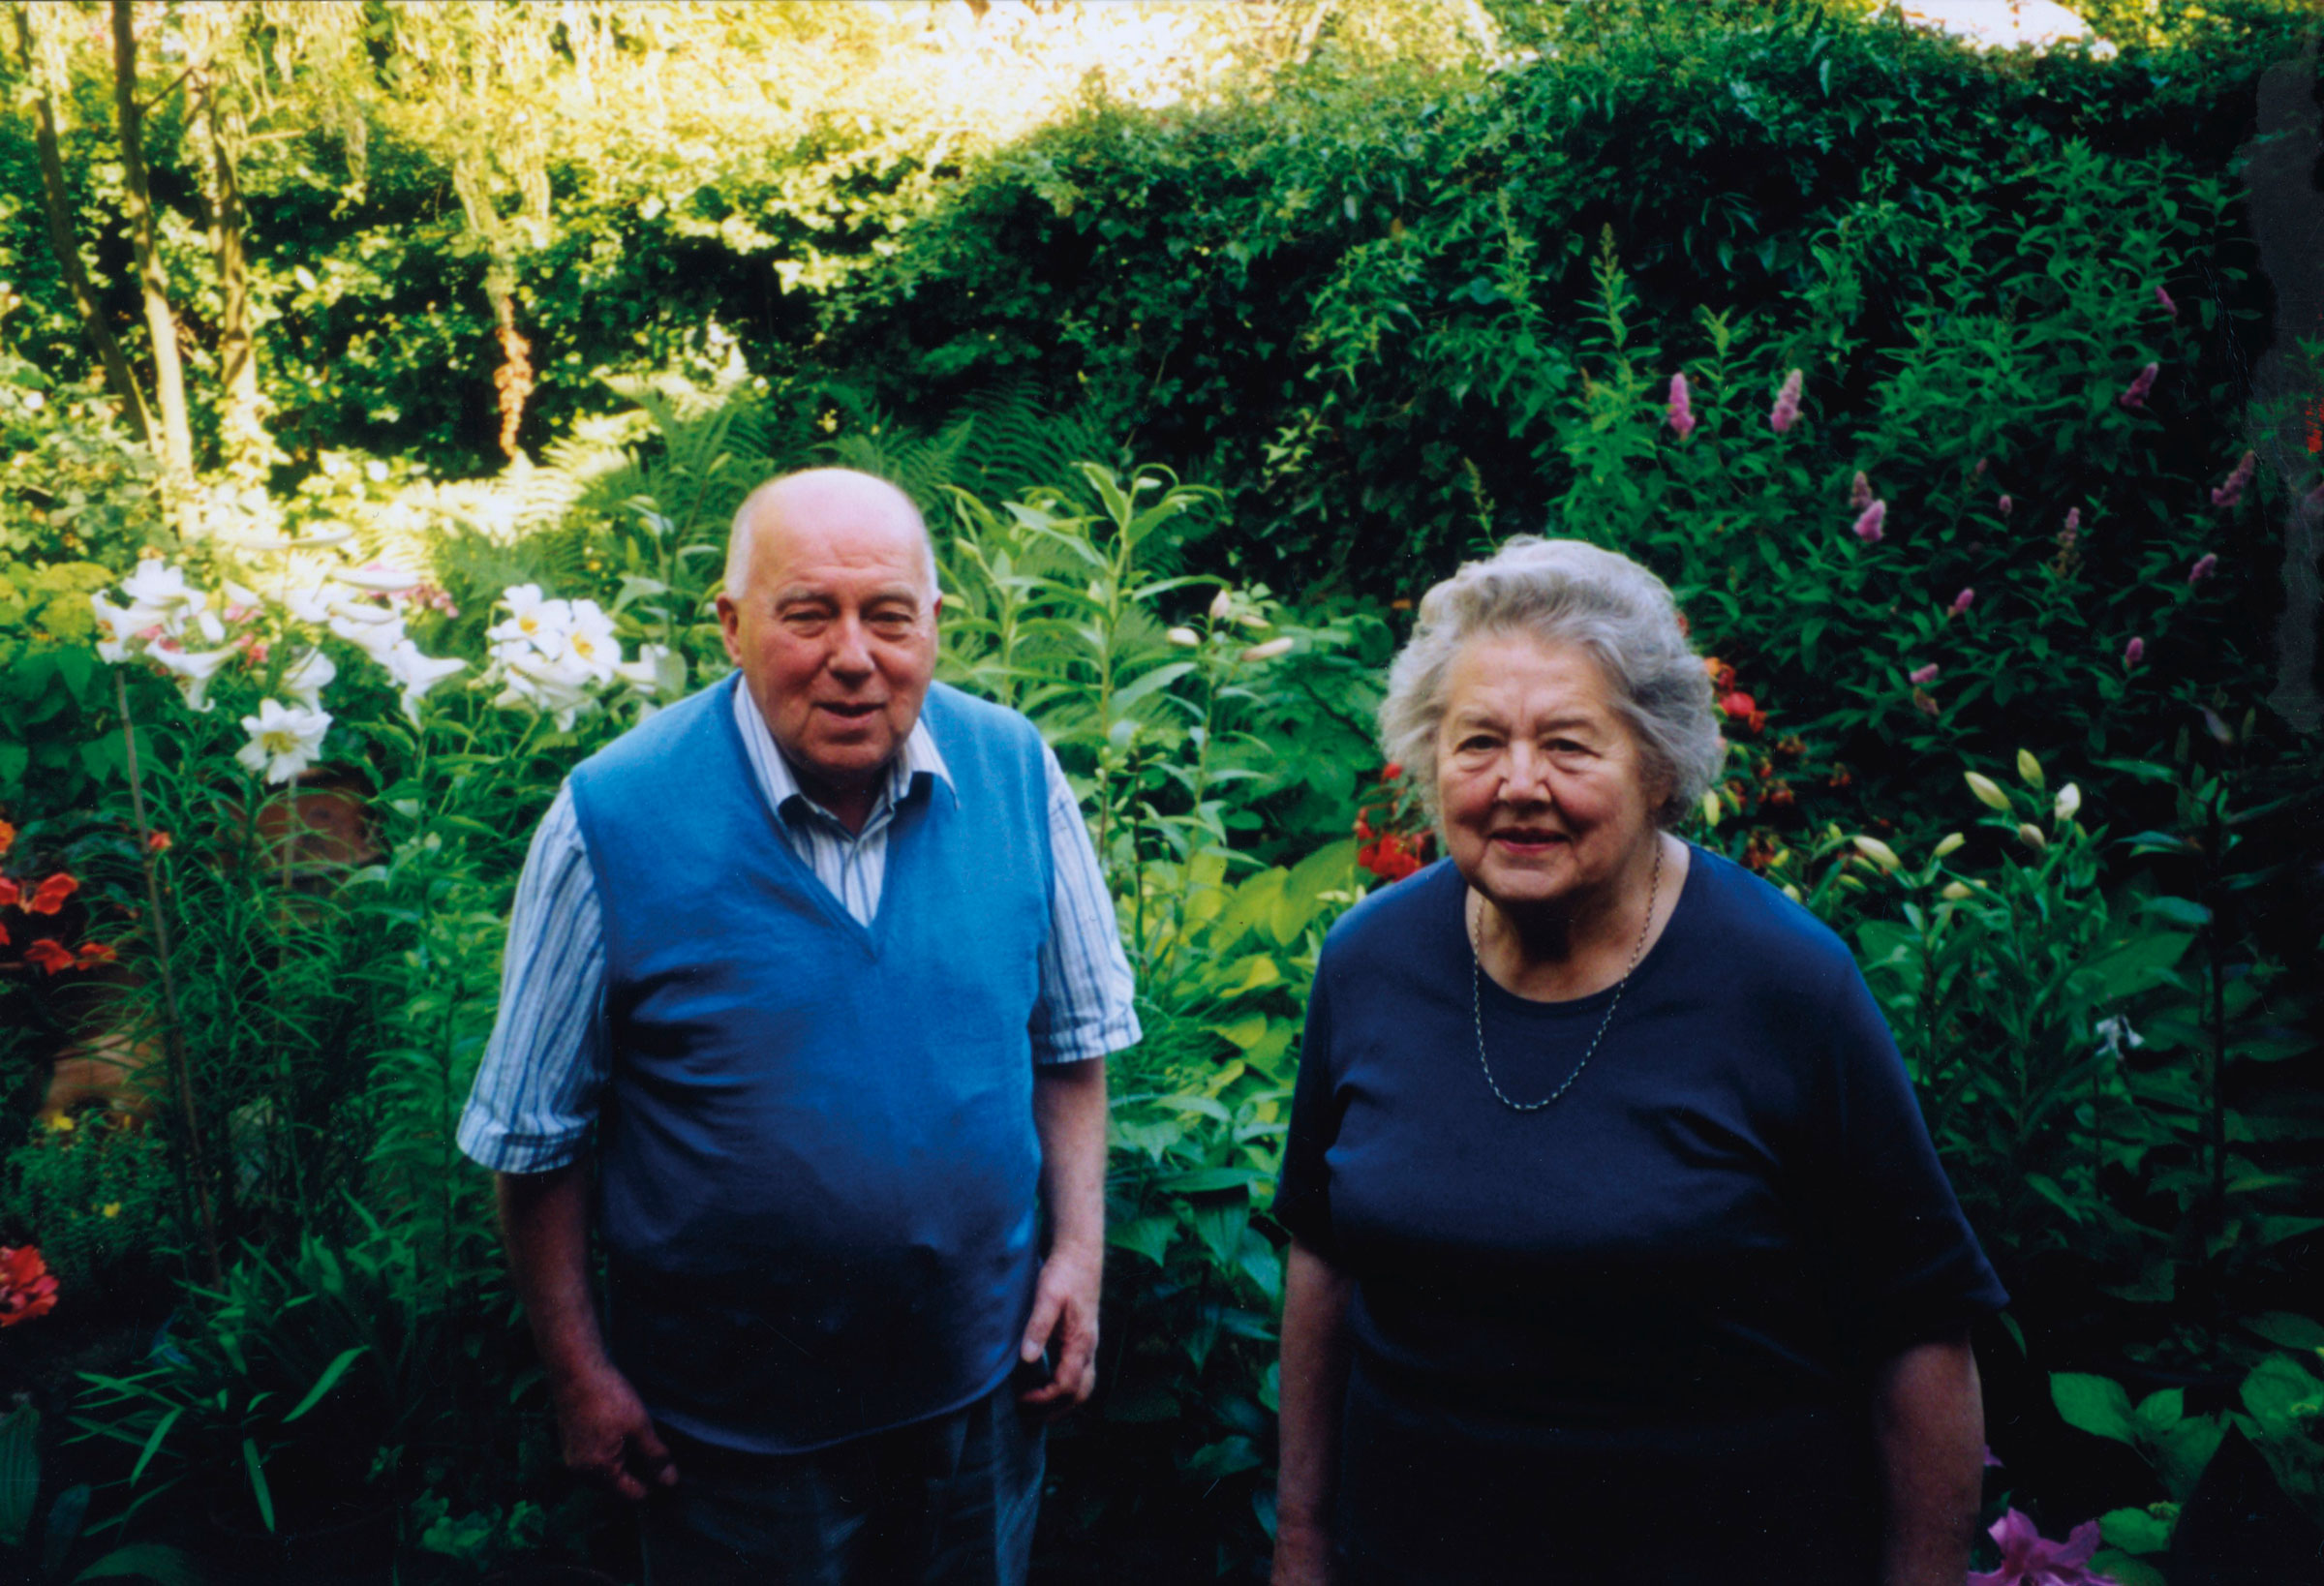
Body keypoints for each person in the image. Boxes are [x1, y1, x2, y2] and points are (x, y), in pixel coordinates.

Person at [1269, 538, 2006, 1586]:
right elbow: (1325, 1256)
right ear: (1430, 757)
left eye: (1569, 745)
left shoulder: (1787, 988)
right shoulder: (1369, 963)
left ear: (1658, 766)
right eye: (1478, 742)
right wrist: (1302, 1542)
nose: (1519, 784)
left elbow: (1920, 1334)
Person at [457, 469, 1141, 1586]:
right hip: (726, 1444)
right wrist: (578, 1374)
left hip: (981, 1395)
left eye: (887, 616)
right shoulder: (613, 816)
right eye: (808, 614)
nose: (854, 656)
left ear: (934, 624)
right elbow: (535, 1145)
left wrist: (1078, 1256)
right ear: (730, 626)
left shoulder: (1015, 771)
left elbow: (1071, 1044)